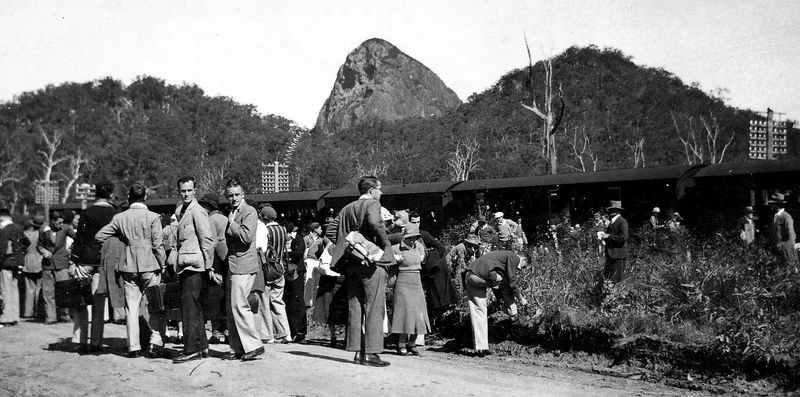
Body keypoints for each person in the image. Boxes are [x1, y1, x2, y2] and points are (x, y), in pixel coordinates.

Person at [329, 175, 395, 367]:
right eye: (379, 189)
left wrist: (350, 246)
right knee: (374, 306)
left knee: (355, 305)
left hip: (351, 262)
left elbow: (332, 231)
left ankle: (358, 351)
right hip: (372, 261)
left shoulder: (346, 208)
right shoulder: (373, 204)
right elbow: (375, 223)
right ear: (371, 190)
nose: (381, 193)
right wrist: (383, 242)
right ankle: (372, 353)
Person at [95, 184, 168, 359]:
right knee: (156, 305)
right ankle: (155, 342)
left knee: (132, 307)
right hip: (150, 264)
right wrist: (163, 264)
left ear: (129, 198)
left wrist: (123, 238)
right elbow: (158, 245)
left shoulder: (120, 218)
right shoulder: (152, 217)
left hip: (129, 265)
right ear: (145, 198)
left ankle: (133, 346)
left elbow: (99, 236)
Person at [68, 181, 117, 352]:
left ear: (95, 194)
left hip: (85, 260)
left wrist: (73, 260)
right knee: (99, 303)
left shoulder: (87, 212)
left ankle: (80, 341)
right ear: (111, 194)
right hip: (104, 261)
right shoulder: (114, 213)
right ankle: (96, 342)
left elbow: (79, 239)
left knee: (82, 302)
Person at [171, 177, 216, 363]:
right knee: (193, 307)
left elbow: (207, 241)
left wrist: (209, 266)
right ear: (179, 191)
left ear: (195, 190)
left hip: (195, 266)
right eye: (183, 191)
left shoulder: (197, 211)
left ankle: (191, 349)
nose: (186, 194)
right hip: (185, 265)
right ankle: (202, 346)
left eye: (189, 190)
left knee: (190, 308)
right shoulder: (180, 210)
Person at [222, 178, 264, 361]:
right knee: (233, 308)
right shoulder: (233, 211)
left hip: (244, 265)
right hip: (234, 265)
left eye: (237, 195)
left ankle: (254, 345)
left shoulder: (249, 211)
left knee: (240, 306)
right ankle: (237, 348)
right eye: (230, 195)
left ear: (243, 195)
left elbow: (247, 237)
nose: (234, 198)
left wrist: (231, 223)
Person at [463, 250, 528, 356]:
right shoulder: (513, 257)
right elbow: (512, 281)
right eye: (523, 266)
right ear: (523, 259)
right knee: (505, 281)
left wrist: (499, 298)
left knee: (479, 312)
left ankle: (481, 348)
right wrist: (521, 299)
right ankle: (512, 310)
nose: (519, 269)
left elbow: (496, 283)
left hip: (470, 275)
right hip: (480, 276)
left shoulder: (501, 257)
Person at [390, 223, 430, 356]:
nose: (412, 240)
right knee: (404, 313)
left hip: (417, 281)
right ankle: (401, 344)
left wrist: (421, 255)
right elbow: (387, 262)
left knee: (418, 313)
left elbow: (423, 259)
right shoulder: (396, 248)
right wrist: (395, 259)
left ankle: (412, 343)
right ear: (404, 237)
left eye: (415, 237)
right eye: (409, 237)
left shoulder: (419, 247)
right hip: (403, 282)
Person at [255, 205, 291, 345]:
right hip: (279, 268)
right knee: (278, 301)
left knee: (264, 301)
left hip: (267, 269)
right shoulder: (283, 230)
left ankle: (267, 334)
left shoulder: (265, 229)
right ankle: (285, 333)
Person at [198, 193, 228, 345]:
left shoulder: (210, 220)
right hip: (227, 262)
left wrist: (209, 267)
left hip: (216, 261)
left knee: (214, 299)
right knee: (225, 299)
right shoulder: (225, 218)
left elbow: (210, 244)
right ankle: (228, 332)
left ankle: (216, 332)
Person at [38, 211, 74, 324]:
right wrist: (43, 251)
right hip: (48, 265)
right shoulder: (43, 231)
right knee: (48, 292)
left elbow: (79, 239)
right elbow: (39, 245)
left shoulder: (66, 229)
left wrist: (71, 249)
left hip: (62, 263)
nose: (61, 225)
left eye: (62, 222)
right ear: (53, 222)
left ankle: (64, 315)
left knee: (64, 290)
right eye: (59, 223)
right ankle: (51, 317)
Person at [0, 209, 29, 327]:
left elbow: (2, 249)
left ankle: (6, 318)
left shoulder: (4, 231)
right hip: (17, 264)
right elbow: (26, 243)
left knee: (5, 290)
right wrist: (20, 255)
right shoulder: (18, 228)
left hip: (5, 263)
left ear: (1, 218)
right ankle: (14, 316)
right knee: (14, 289)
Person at [283, 221, 307, 342]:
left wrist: (285, 253)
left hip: (297, 272)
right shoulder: (285, 240)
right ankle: (292, 330)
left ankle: (300, 330)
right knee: (289, 302)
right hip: (288, 272)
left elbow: (298, 253)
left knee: (297, 301)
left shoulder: (298, 239)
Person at [598, 201, 628, 283]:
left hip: (618, 255)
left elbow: (623, 238)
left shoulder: (622, 222)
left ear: (618, 211)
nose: (610, 212)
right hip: (611, 255)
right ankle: (609, 295)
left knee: (616, 280)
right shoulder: (612, 222)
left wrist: (609, 236)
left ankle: (617, 295)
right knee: (608, 279)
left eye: (613, 210)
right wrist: (604, 237)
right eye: (610, 209)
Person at [22, 215, 45, 319]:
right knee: (39, 287)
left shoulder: (26, 234)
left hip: (28, 261)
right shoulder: (43, 234)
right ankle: (38, 311)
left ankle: (28, 312)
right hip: (40, 261)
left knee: (29, 288)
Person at [303, 222, 330, 307]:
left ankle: (313, 302)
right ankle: (307, 303)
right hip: (309, 260)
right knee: (308, 282)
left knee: (316, 284)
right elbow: (304, 250)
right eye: (320, 228)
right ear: (315, 229)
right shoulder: (306, 238)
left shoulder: (321, 239)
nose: (321, 230)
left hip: (318, 261)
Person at [768, 193, 798, 267]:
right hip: (778, 252)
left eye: (772, 204)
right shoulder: (776, 216)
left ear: (778, 205)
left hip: (787, 253)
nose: (771, 206)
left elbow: (791, 237)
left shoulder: (786, 217)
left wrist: (783, 248)